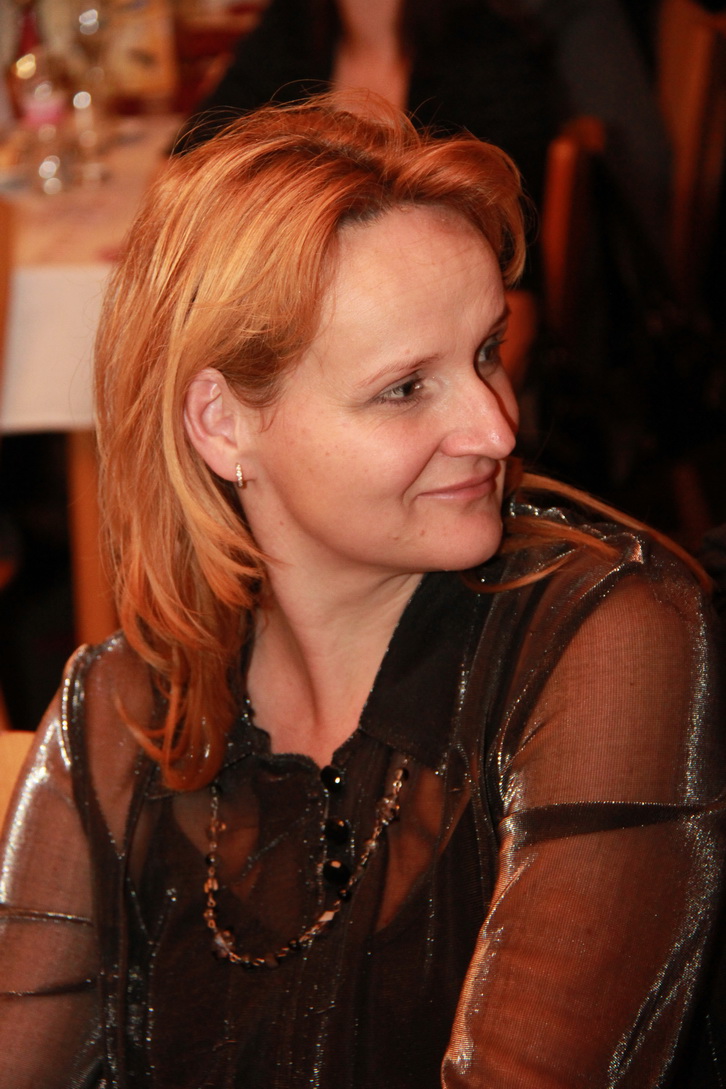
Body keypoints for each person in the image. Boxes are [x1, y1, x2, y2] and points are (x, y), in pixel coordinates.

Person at [0, 94, 724, 1088]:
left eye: (486, 353)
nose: (497, 429)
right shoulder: (122, 715)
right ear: (221, 423)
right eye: (405, 387)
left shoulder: (612, 642)